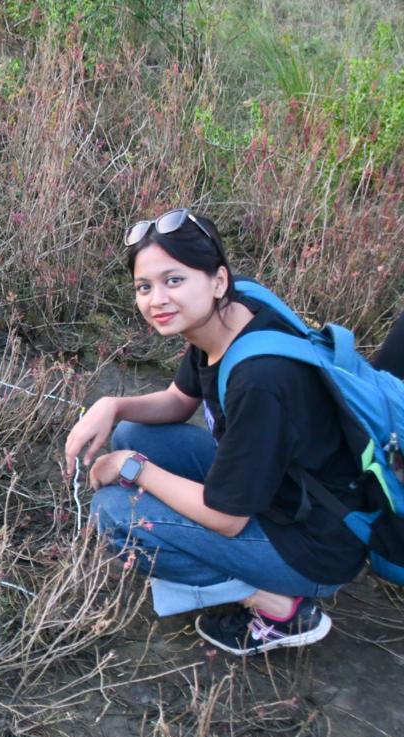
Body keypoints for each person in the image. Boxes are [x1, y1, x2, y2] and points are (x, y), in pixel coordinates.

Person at [64, 208, 369, 657]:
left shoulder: (260, 381)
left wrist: (134, 470)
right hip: (286, 493)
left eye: (174, 281)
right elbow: (178, 402)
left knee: (115, 512)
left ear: (218, 280)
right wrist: (112, 405)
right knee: (135, 431)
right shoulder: (232, 313)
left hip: (315, 545)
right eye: (144, 287)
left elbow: (227, 518)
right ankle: (252, 576)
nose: (156, 300)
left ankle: (274, 605)